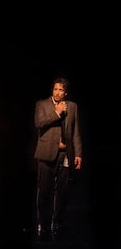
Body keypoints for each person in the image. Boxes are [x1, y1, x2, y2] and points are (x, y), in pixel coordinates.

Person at [33, 77, 82, 238]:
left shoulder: (73, 107)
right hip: (46, 153)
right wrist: (57, 112)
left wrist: (78, 154)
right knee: (44, 191)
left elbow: (75, 132)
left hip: (65, 155)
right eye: (55, 89)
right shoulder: (42, 104)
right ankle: (44, 224)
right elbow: (39, 123)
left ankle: (58, 223)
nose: (58, 92)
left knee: (62, 191)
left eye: (61, 90)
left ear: (65, 92)